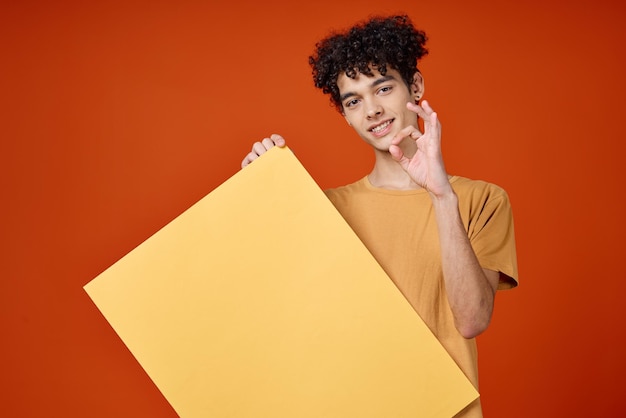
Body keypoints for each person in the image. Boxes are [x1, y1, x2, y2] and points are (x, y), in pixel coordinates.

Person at [241, 14, 518, 418]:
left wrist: (441, 197)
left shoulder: (482, 200)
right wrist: (260, 195)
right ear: (345, 114)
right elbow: (280, 318)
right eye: (353, 101)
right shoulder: (327, 210)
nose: (371, 110)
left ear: (416, 86)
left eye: (383, 88)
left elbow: (472, 319)